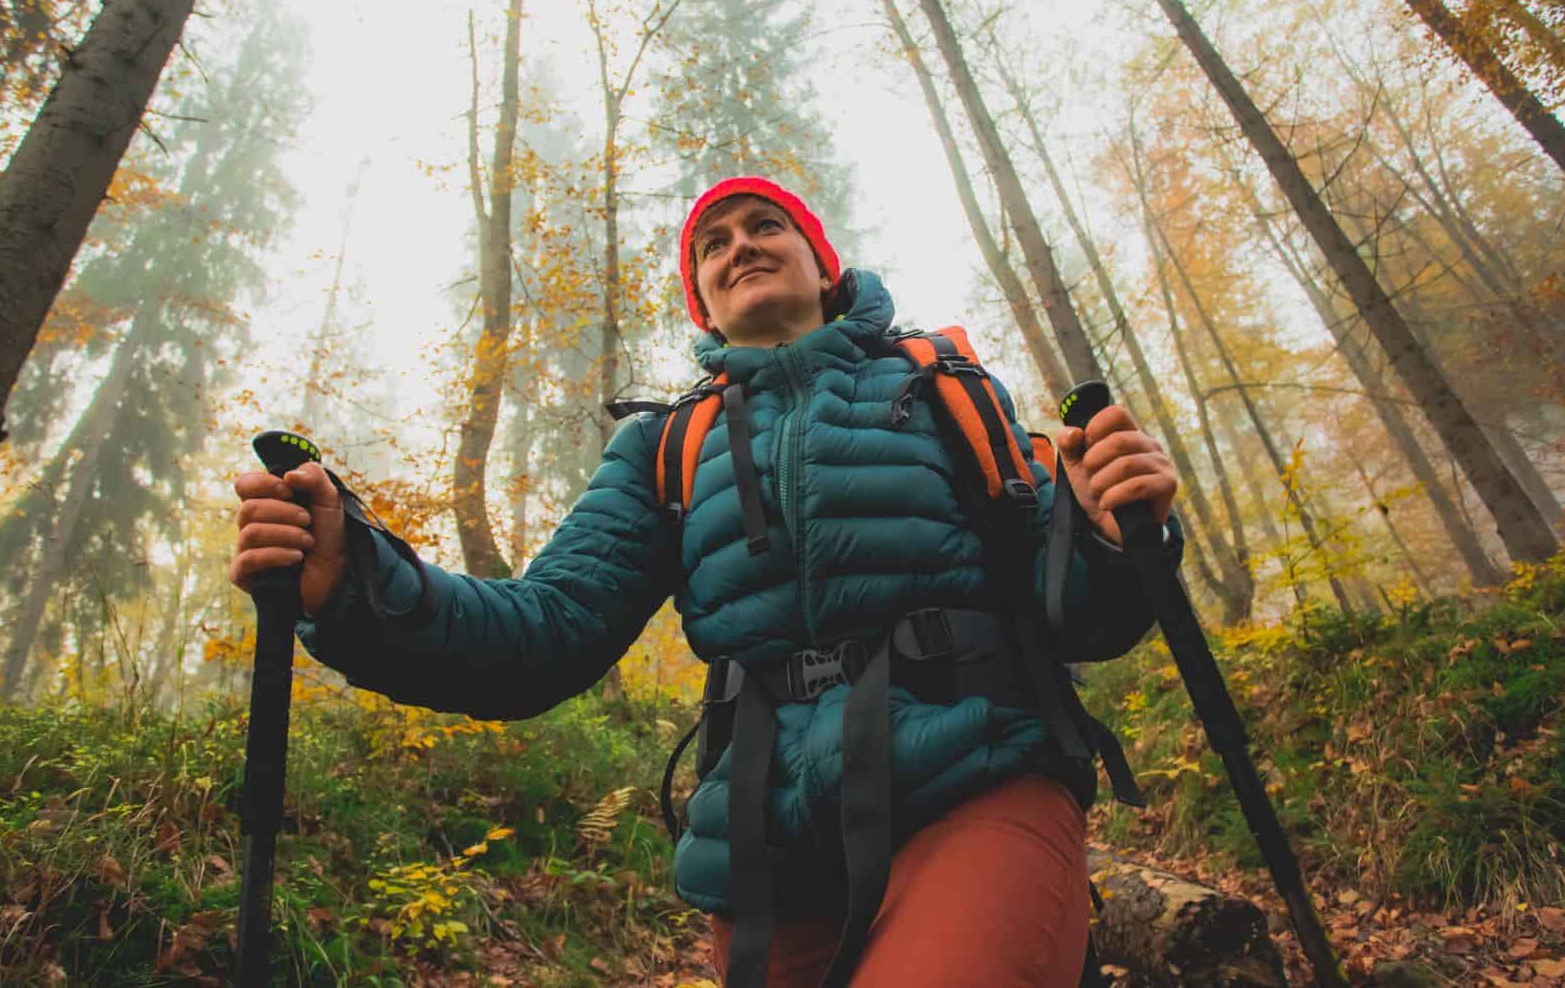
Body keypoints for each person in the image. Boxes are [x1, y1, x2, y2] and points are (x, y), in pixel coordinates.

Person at [231, 176, 1182, 986]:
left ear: (822, 264)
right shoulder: (664, 444)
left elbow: (1076, 615)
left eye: (766, 227)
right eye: (713, 245)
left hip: (976, 780)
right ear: (702, 302)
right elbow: (543, 634)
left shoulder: (943, 386)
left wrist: (1112, 536)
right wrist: (353, 579)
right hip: (766, 848)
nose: (740, 247)